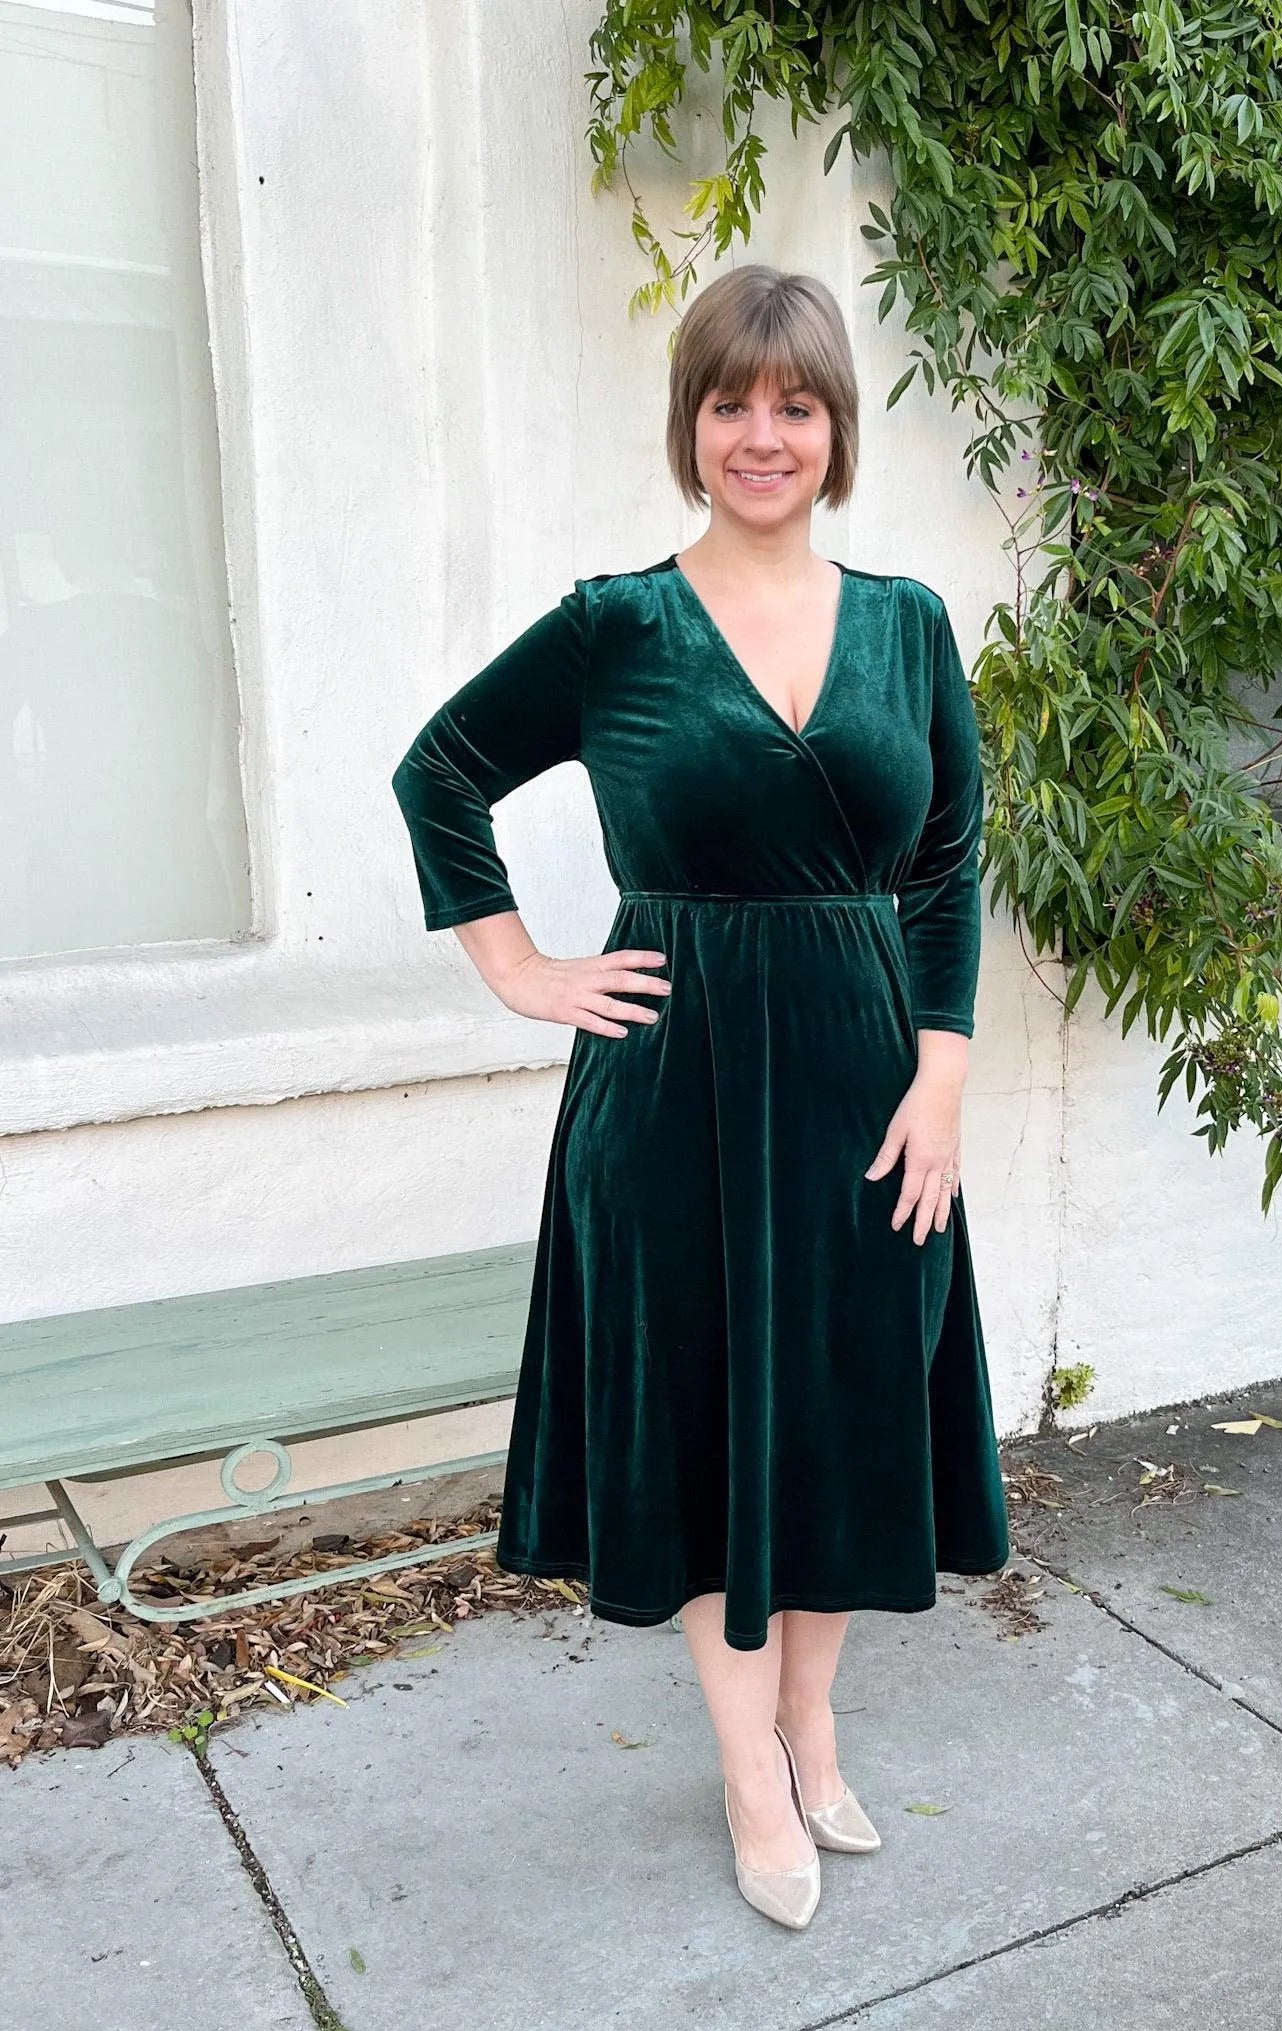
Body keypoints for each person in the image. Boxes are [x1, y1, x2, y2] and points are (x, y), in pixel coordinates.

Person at [390, 263, 1010, 1931]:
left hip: (869, 1090)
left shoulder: (907, 624)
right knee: (708, 1410)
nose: (762, 434)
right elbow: (439, 771)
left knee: (845, 1404)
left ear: (836, 426)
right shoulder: (619, 625)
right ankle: (749, 1768)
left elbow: (946, 864)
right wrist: (523, 970)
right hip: (674, 1094)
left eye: (793, 405)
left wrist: (943, 1077)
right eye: (730, 403)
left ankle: (813, 1726)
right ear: (692, 423)